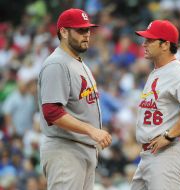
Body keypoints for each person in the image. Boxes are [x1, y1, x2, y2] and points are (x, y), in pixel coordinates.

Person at [38, 8, 112, 190]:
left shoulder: (77, 62)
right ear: (63, 32)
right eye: (80, 30)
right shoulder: (57, 64)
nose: (86, 34)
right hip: (66, 150)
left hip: (81, 149)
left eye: (87, 30)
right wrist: (91, 131)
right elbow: (52, 112)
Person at [131, 20, 180, 190]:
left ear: (165, 44)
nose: (144, 44)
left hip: (168, 153)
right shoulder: (157, 71)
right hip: (150, 155)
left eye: (150, 40)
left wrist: (169, 135)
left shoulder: (178, 73)